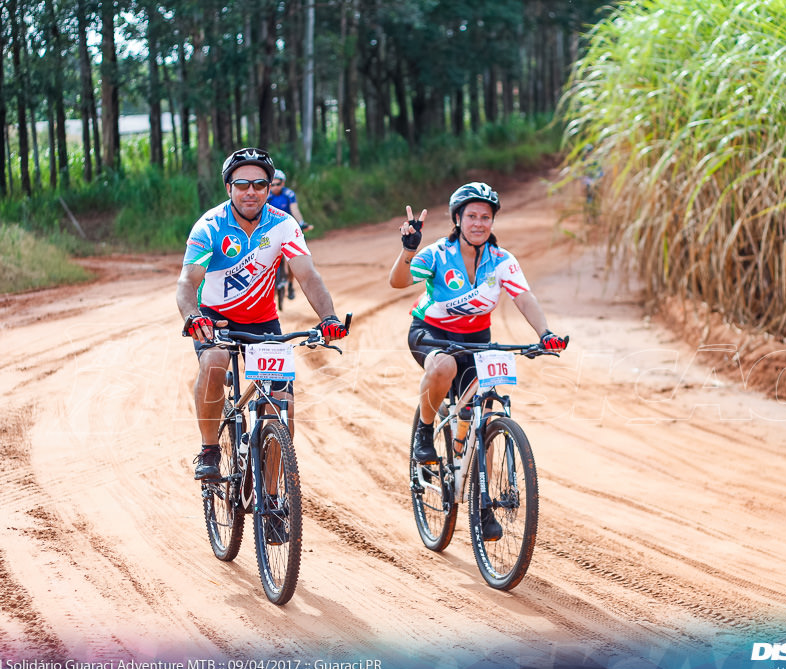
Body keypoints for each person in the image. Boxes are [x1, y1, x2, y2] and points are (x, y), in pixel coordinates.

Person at [388, 181, 568, 540]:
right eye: (471, 216)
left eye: (485, 217)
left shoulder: (500, 260)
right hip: (431, 333)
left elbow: (524, 297)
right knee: (444, 367)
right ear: (458, 218)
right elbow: (398, 281)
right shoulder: (439, 253)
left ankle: (481, 502)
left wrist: (545, 333)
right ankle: (425, 432)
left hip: (476, 340)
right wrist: (409, 250)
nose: (479, 223)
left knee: (482, 408)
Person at [176, 148, 348, 483]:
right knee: (213, 362)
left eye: (259, 184)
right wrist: (192, 317)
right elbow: (187, 282)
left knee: (282, 408)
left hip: (264, 323)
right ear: (229, 188)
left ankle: (271, 496)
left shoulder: (283, 225)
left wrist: (328, 318)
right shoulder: (210, 226)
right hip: (215, 320)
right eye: (242, 184)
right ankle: (210, 448)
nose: (250, 191)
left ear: (270, 189)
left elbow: (308, 276)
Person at [267, 169, 312, 300]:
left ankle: (291, 285)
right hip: (273, 230)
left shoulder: (289, 194)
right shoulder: (267, 196)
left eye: (278, 184)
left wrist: (301, 222)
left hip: (288, 230)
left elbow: (294, 209)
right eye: (273, 184)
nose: (275, 187)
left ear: (283, 183)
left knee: (291, 258)